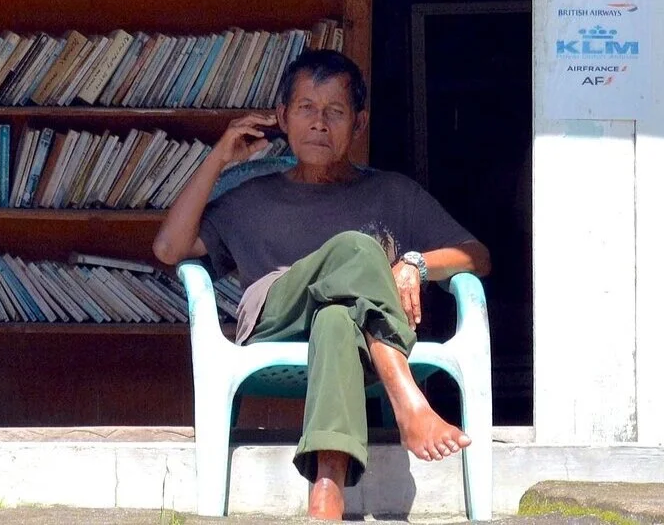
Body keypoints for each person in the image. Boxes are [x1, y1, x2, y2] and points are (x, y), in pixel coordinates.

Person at [152, 49, 492, 520]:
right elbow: (169, 248)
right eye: (306, 108)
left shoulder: (392, 193)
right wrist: (219, 157)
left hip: (354, 339)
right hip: (277, 316)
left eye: (335, 111)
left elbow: (476, 255)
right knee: (357, 247)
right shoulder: (250, 198)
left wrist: (415, 263)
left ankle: (327, 492)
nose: (319, 123)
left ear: (359, 122)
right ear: (282, 117)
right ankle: (406, 397)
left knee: (334, 319)